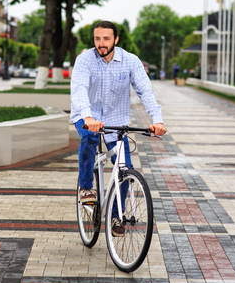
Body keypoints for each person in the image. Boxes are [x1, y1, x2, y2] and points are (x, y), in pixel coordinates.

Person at [70, 21, 166, 237]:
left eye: (106, 39)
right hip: (86, 115)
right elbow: (79, 89)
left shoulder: (130, 61)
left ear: (116, 39)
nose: (101, 43)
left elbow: (146, 91)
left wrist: (157, 120)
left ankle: (116, 215)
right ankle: (86, 186)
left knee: (124, 167)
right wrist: (88, 116)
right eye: (97, 39)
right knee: (90, 137)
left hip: (116, 120)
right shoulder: (85, 60)